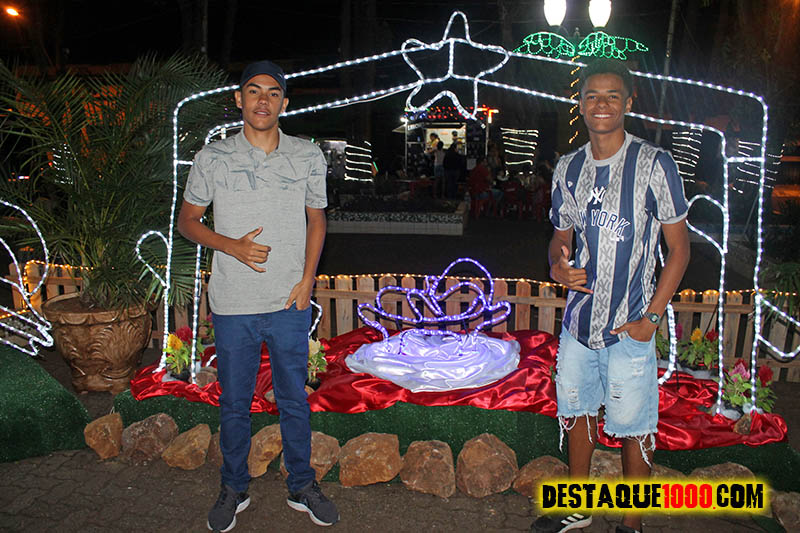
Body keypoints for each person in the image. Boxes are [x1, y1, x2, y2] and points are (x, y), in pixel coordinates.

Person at [177, 60, 339, 532]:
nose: (262, 100)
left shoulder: (307, 155)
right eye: (253, 91)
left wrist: (308, 280)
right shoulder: (213, 158)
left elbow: (317, 219)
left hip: (289, 301)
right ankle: (233, 486)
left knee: (293, 399)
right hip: (233, 303)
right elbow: (188, 221)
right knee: (235, 401)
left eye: (272, 92)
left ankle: (302, 485)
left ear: (284, 102)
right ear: (239, 99)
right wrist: (232, 246)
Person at [531, 59, 690, 533]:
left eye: (612, 96)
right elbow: (559, 238)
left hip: (630, 325)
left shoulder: (655, 164)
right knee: (576, 412)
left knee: (634, 424)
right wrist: (557, 265)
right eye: (593, 96)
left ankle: (631, 524)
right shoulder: (569, 168)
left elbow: (679, 250)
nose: (602, 104)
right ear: (580, 104)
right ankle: (578, 507)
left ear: (628, 102)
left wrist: (651, 319)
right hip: (579, 324)